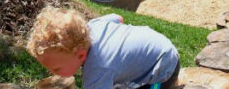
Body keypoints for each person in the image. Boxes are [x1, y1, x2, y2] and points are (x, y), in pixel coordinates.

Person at [26, 7, 180, 89]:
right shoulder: (93, 26)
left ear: (81, 56)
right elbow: (118, 18)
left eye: (56, 69)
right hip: (158, 43)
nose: (51, 73)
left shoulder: (97, 69)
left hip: (162, 67)